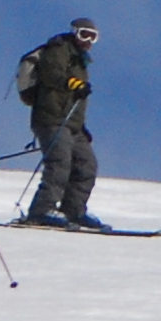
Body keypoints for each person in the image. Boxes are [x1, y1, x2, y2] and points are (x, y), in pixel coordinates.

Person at [16, 14, 102, 229]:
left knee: (87, 165)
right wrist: (73, 83)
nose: (88, 41)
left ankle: (73, 210)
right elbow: (51, 74)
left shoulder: (80, 61)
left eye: (92, 37)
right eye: (84, 34)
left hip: (72, 125)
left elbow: (72, 100)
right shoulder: (59, 48)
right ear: (74, 32)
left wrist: (81, 127)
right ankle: (41, 210)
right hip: (51, 119)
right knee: (59, 162)